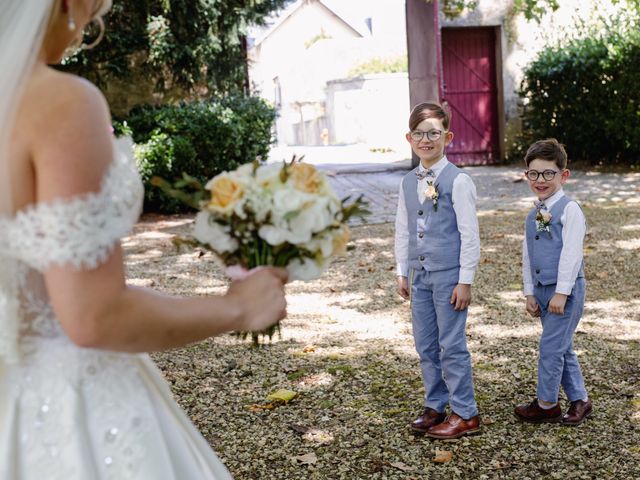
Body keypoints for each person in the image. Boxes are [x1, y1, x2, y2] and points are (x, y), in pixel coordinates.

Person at [0, 1, 288, 478]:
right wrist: (238, 306)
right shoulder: (57, 103)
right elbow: (93, 316)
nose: (96, 18)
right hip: (61, 418)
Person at [394, 102, 481, 439]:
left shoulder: (458, 181)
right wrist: (403, 271)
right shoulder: (407, 182)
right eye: (419, 133)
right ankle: (435, 404)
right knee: (425, 344)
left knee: (452, 344)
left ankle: (465, 412)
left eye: (433, 133)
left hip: (449, 276)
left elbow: (469, 235)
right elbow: (403, 228)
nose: (426, 139)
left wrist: (465, 281)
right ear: (409, 137)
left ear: (448, 136)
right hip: (420, 275)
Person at [514, 138, 592, 426]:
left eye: (548, 173)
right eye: (533, 173)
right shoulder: (533, 213)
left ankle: (546, 404)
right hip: (542, 290)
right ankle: (581, 400)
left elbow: (571, 254)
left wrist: (561, 293)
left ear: (563, 175)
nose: (540, 180)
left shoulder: (570, 210)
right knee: (560, 346)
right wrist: (529, 292)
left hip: (565, 293)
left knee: (550, 347)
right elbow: (528, 253)